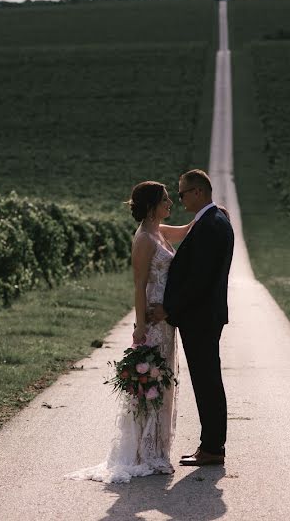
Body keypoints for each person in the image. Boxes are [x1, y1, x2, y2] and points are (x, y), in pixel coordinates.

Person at [65, 181, 192, 483]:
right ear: (151, 206)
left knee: (163, 382)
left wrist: (211, 212)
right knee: (153, 382)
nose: (170, 204)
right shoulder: (144, 239)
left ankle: (157, 449)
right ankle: (145, 453)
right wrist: (140, 327)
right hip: (152, 318)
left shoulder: (159, 230)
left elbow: (186, 230)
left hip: (166, 320)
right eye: (165, 200)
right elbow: (138, 286)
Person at [150, 169, 235, 467]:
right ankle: (210, 445)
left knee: (207, 380)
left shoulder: (212, 224)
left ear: (198, 192)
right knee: (207, 379)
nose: (181, 198)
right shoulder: (212, 220)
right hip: (204, 316)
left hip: (200, 318)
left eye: (183, 193)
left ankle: (212, 448)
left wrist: (168, 308)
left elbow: (197, 279)